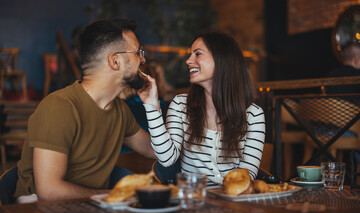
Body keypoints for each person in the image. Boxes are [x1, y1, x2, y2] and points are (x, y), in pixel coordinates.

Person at [14, 18, 156, 202]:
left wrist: (152, 105)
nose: (143, 59)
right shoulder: (59, 107)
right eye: (137, 53)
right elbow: (49, 191)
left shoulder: (119, 110)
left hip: (90, 207)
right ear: (115, 60)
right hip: (37, 212)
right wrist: (114, 196)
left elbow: (154, 149)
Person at [138, 32, 266, 188]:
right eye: (190, 55)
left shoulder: (253, 115)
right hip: (193, 200)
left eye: (197, 54)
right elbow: (166, 158)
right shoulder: (181, 105)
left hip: (234, 203)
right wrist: (151, 105)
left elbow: (246, 176)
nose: (188, 61)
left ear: (222, 60)